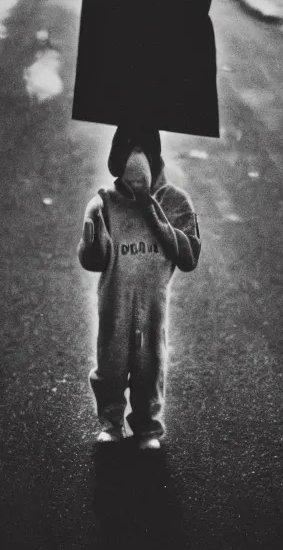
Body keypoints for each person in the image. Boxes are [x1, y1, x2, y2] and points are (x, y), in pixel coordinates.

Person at [78, 127, 201, 450]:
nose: (136, 160)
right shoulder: (105, 202)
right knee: (111, 364)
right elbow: (92, 260)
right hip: (114, 301)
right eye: (129, 151)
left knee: (150, 365)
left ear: (156, 158)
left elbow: (190, 257)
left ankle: (147, 426)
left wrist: (153, 210)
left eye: (143, 151)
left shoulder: (175, 201)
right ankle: (111, 422)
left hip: (153, 304)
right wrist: (93, 236)